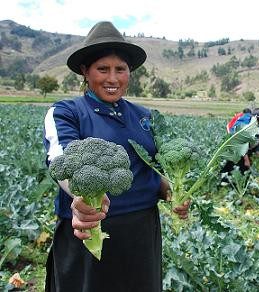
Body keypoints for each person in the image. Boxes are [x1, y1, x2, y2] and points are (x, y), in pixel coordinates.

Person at [42, 21, 189, 292]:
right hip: (88, 230)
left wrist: (172, 192)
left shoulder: (144, 116)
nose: (113, 79)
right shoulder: (66, 111)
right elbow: (59, 159)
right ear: (85, 71)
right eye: (102, 69)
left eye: (120, 69)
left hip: (142, 233)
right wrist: (80, 198)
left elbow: (154, 170)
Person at [220, 107, 259, 177]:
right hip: (235, 146)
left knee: (246, 169)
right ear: (254, 118)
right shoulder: (243, 125)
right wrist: (246, 159)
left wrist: (258, 152)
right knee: (233, 166)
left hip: (247, 146)